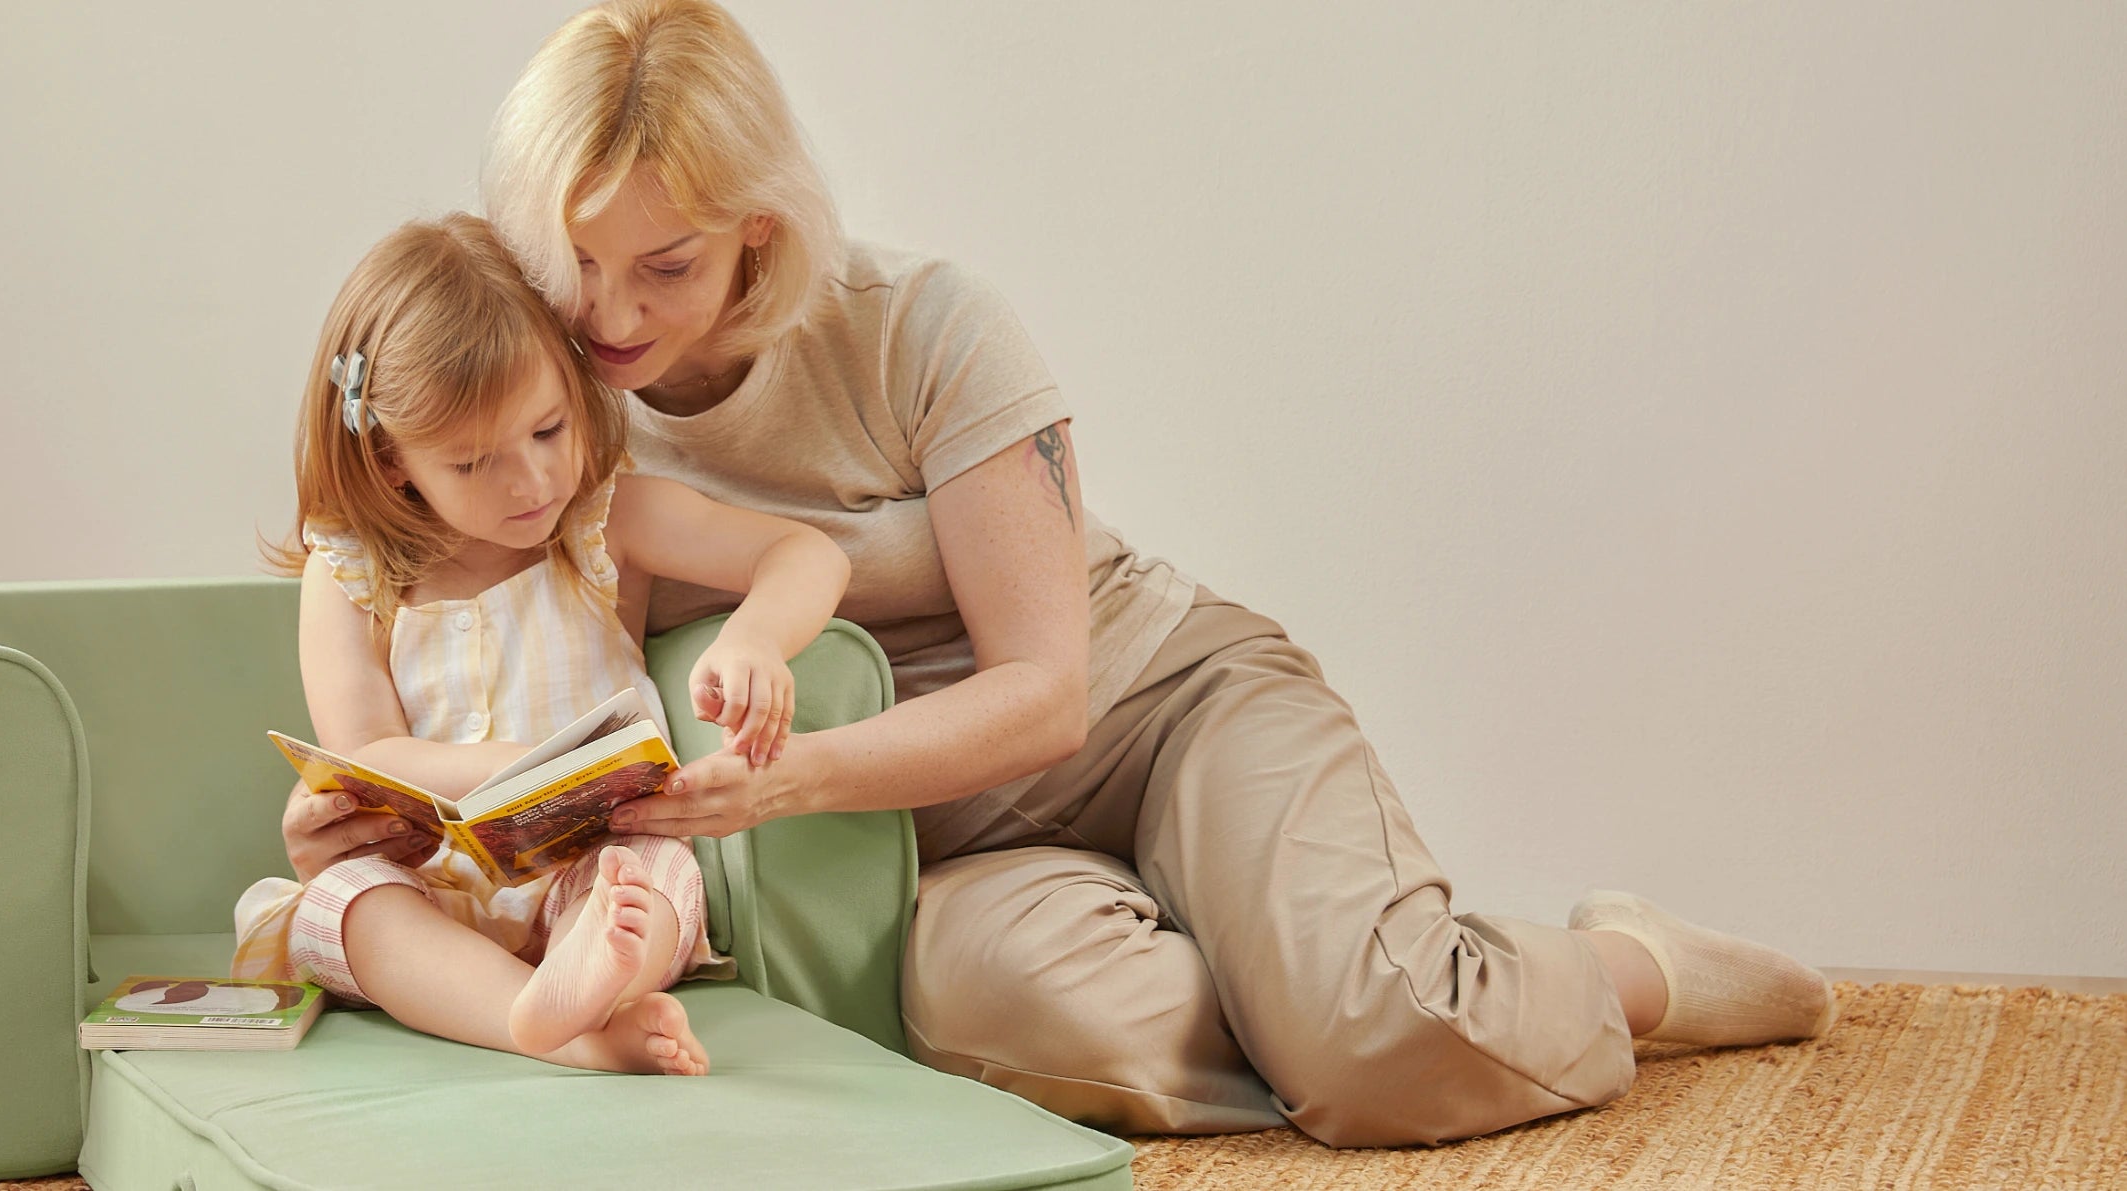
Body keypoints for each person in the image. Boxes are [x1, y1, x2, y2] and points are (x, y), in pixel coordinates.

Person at [442, 0, 1838, 1145]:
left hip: (1159, 708)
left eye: (664, 266)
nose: (608, 314)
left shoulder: (921, 326)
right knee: (1002, 1026)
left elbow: (1046, 693)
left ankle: (1620, 971)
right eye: (574, 262)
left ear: (756, 221)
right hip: (946, 840)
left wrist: (790, 780)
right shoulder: (541, 414)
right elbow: (461, 628)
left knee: (1376, 1045)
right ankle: (1330, 988)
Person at [239, 213, 852, 1076]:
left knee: (648, 876)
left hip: (591, 866)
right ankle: (557, 1028)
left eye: (548, 430)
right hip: (433, 889)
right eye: (472, 462)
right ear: (389, 460)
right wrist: (528, 766)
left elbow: (804, 553)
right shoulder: (349, 570)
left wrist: (755, 638)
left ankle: (583, 979)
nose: (531, 482)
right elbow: (364, 750)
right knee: (345, 901)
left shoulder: (606, 522)